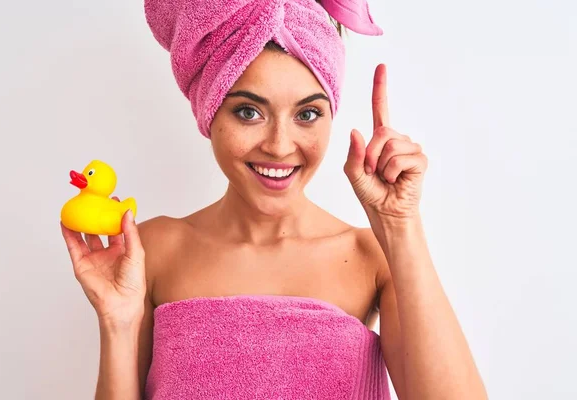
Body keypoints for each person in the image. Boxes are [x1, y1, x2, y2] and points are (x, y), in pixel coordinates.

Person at [61, 0, 488, 399]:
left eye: (307, 114)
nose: (280, 146)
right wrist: (116, 324)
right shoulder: (150, 248)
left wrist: (400, 225)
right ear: (209, 113)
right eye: (249, 111)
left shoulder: (374, 256)